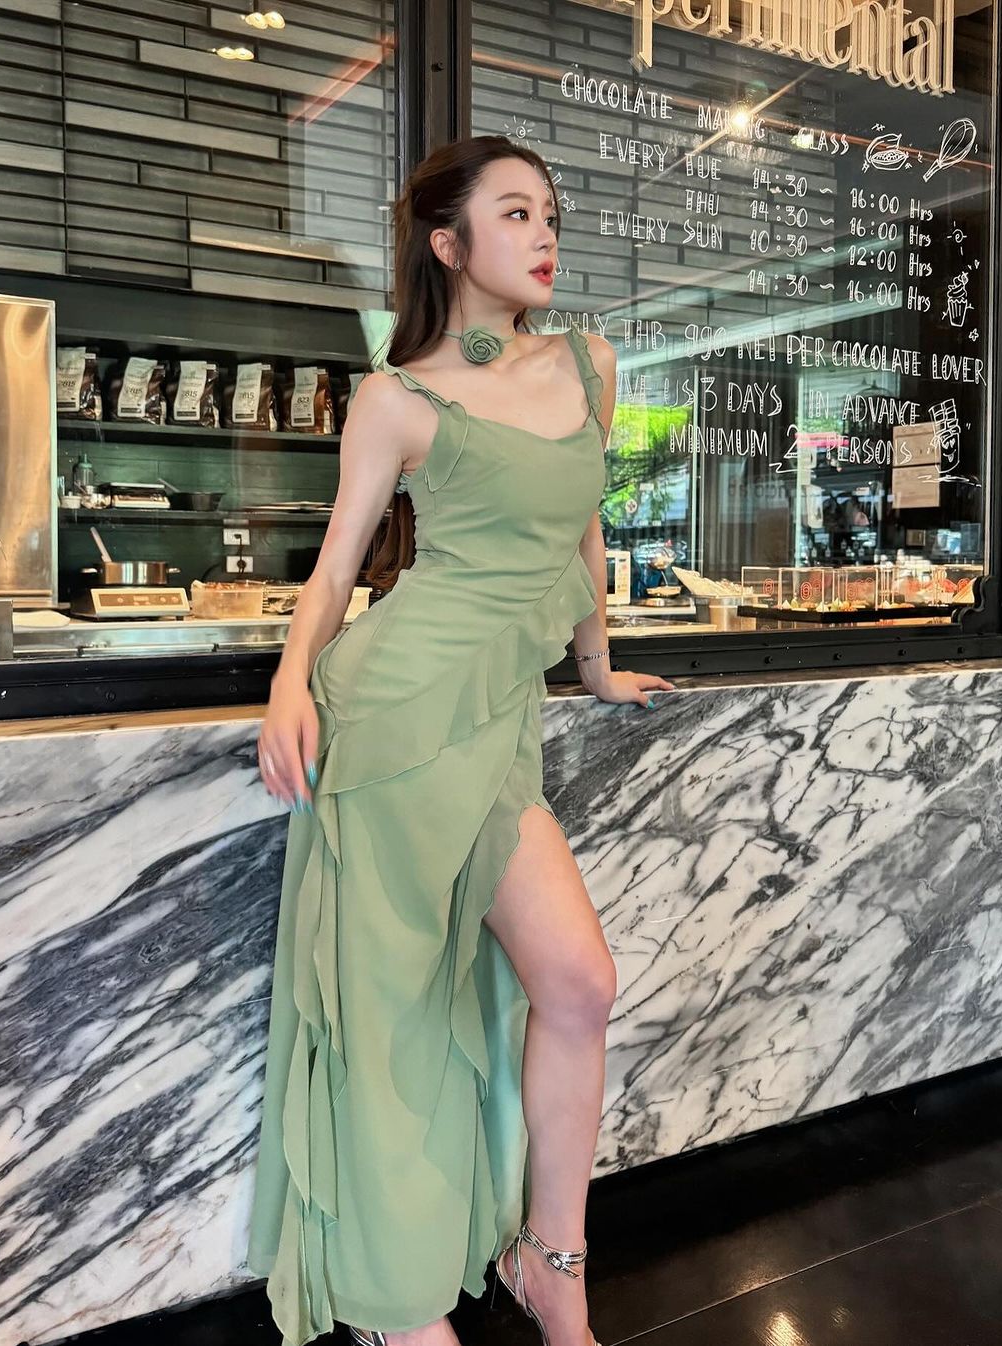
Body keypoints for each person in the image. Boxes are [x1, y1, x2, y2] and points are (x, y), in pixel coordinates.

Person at [246, 133, 675, 1346]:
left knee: (578, 982)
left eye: (551, 213)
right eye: (516, 213)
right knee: (390, 1013)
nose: (545, 234)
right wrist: (289, 683)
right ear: (449, 242)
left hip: (494, 723)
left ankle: (553, 1263)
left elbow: (583, 530)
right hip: (391, 717)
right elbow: (339, 566)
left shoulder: (589, 362)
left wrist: (595, 665)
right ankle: (399, 1305)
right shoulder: (399, 396)